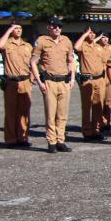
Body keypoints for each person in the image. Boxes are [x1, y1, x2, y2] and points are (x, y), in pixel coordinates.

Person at [31, 17, 75, 153]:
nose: (57, 28)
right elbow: (33, 62)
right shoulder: (42, 41)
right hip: (49, 81)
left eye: (59, 26)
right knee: (51, 113)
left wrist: (72, 78)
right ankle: (51, 141)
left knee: (62, 114)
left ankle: (61, 140)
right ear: (48, 27)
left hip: (64, 81)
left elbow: (71, 61)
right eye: (54, 26)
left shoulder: (66, 41)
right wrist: (39, 82)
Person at [0, 23, 33, 147]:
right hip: (11, 81)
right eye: (15, 28)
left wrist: (31, 79)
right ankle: (11, 139)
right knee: (11, 112)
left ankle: (23, 137)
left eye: (20, 28)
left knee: (24, 111)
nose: (18, 30)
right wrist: (9, 30)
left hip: (25, 81)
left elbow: (32, 63)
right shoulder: (7, 44)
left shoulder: (27, 46)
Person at [73, 27, 107, 141]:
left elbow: (104, 64)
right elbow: (76, 47)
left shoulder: (99, 48)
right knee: (87, 107)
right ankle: (87, 132)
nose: (91, 35)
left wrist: (104, 80)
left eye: (93, 33)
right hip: (87, 79)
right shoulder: (83, 45)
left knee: (98, 106)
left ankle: (96, 130)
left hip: (99, 80)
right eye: (89, 33)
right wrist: (84, 35)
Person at [96, 32, 111, 131]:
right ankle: (100, 123)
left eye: (107, 37)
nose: (105, 39)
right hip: (99, 77)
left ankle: (108, 122)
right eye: (103, 37)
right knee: (99, 102)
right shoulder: (95, 47)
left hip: (109, 77)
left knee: (109, 101)